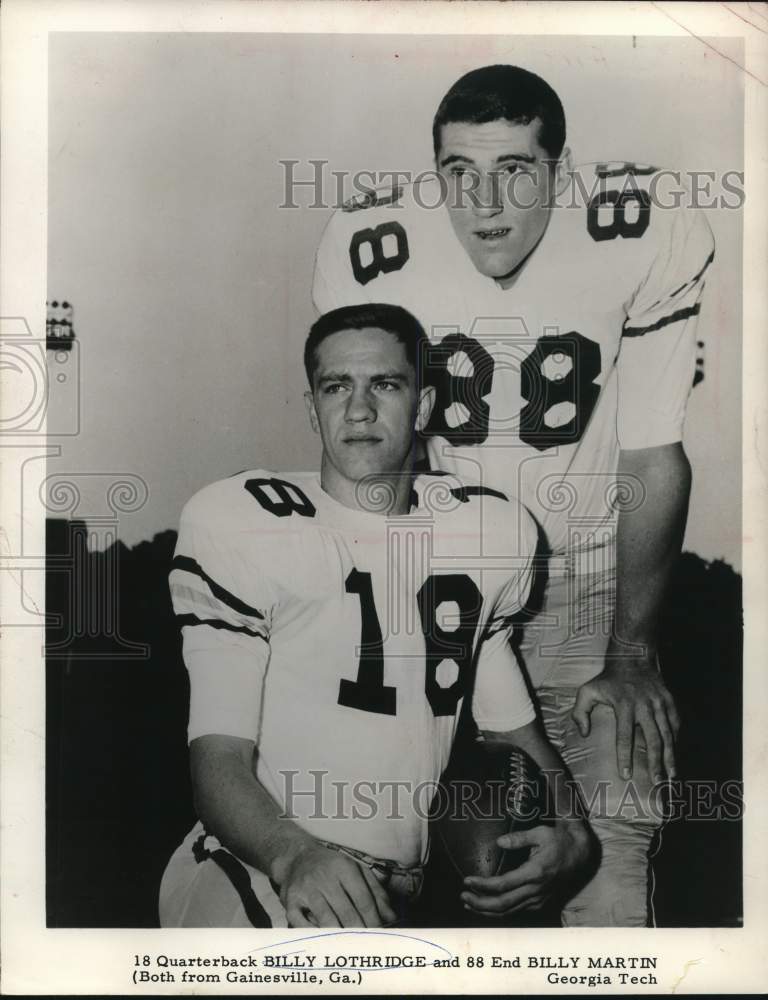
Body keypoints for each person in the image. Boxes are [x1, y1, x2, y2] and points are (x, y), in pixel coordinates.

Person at [312, 64, 716, 926]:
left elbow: (650, 455)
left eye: (515, 171)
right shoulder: (372, 241)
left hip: (588, 588)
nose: (484, 201)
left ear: (560, 172)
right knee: (445, 877)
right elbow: (368, 465)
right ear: (435, 173)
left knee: (612, 870)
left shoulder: (641, 227)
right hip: (439, 593)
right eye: (460, 172)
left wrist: (634, 656)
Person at [158, 303, 592, 928]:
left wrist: (574, 833)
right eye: (336, 387)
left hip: (395, 897)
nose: (358, 409)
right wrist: (292, 854)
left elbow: (513, 732)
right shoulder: (246, 523)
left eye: (384, 384)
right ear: (312, 408)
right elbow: (218, 760)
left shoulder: (482, 533)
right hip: (260, 870)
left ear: (422, 406)